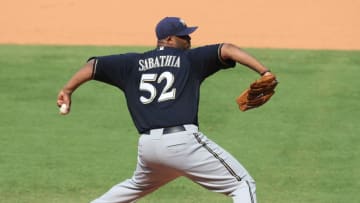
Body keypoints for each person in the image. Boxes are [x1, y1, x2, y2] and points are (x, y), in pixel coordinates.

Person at [57, 16, 274, 203]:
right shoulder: (189, 59)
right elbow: (227, 49)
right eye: (184, 36)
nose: (189, 40)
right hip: (182, 143)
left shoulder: (133, 63)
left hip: (149, 148)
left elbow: (93, 66)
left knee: (133, 187)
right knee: (242, 184)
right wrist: (264, 72)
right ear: (169, 39)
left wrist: (67, 90)